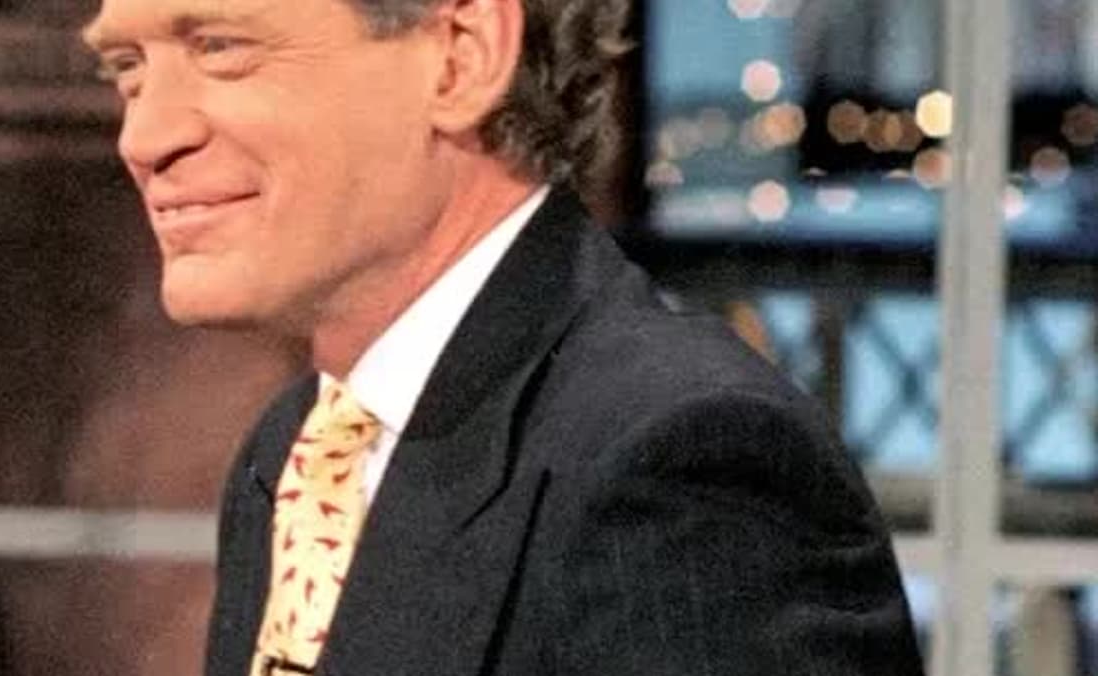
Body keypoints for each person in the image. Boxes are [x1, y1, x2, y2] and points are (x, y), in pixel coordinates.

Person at [80, 0, 928, 674]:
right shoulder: (295, 447)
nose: (144, 138)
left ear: (461, 56)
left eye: (221, 48)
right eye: (128, 69)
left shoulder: (682, 461)